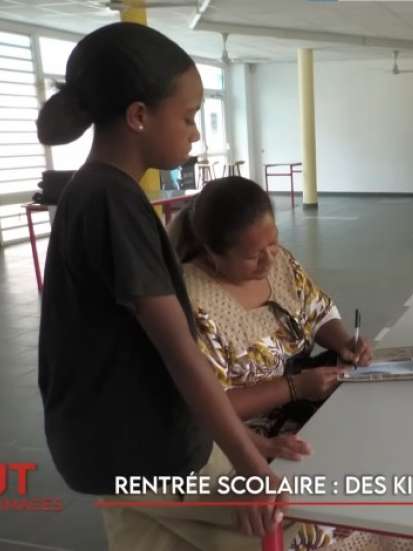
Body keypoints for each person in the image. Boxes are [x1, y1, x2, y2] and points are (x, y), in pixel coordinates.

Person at [37, 22, 294, 551]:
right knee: (273, 528)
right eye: (188, 116)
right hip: (143, 455)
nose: (195, 132)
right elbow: (178, 350)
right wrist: (248, 466)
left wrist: (243, 439)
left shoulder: (98, 191)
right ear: (138, 116)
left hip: (109, 449)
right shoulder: (112, 200)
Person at [170, 176, 373, 435]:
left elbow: (317, 312)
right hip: (248, 436)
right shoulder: (194, 302)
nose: (269, 261)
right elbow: (212, 405)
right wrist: (294, 388)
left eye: (273, 242)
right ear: (211, 252)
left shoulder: (280, 263)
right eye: (252, 256)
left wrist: (344, 342)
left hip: (304, 400)